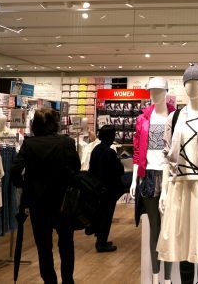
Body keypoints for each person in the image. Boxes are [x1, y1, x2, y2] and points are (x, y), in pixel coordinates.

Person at [11, 108, 81, 284]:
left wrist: (25, 185)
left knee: (44, 247)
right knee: (66, 243)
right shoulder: (66, 142)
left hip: (38, 203)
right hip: (63, 202)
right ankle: (68, 280)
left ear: (35, 124)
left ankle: (50, 280)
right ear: (54, 123)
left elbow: (15, 170)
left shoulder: (29, 144)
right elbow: (76, 168)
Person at [89, 125, 124, 253]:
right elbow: (118, 170)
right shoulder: (110, 152)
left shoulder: (95, 149)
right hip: (109, 189)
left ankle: (100, 240)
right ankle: (102, 242)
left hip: (97, 188)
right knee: (106, 216)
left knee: (100, 215)